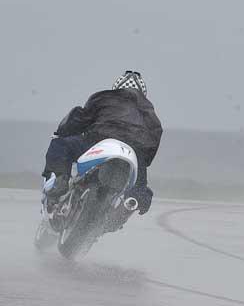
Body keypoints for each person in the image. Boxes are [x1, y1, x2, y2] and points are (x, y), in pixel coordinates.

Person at [42, 71, 163, 214]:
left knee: (60, 144)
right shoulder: (150, 112)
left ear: (117, 87)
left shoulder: (105, 97)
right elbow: (154, 140)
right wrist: (143, 160)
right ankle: (127, 207)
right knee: (140, 191)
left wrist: (63, 132)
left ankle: (62, 180)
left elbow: (80, 118)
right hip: (133, 153)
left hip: (99, 140)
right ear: (143, 93)